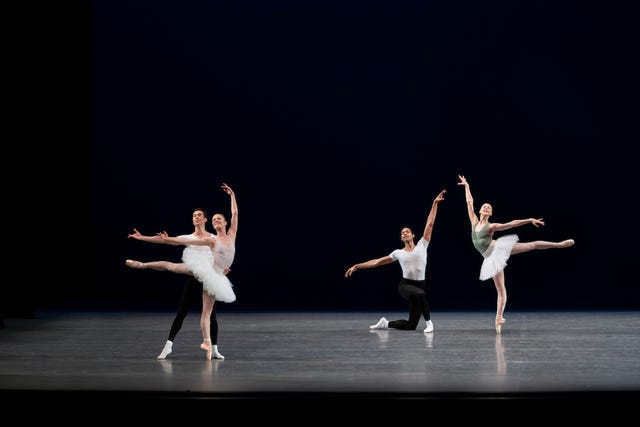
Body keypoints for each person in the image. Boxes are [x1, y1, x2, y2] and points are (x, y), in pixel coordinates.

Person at [126, 183, 238, 359]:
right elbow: (169, 241)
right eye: (194, 216)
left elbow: (224, 252)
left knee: (211, 315)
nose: (196, 218)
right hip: (195, 274)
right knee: (183, 310)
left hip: (211, 276)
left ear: (205, 219)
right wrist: (143, 238)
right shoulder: (196, 238)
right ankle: (169, 345)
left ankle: (213, 348)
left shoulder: (214, 237)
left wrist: (223, 269)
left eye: (199, 215)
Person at [456, 175, 575, 333]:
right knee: (500, 289)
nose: (485, 207)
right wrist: (466, 186)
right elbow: (469, 202)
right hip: (490, 259)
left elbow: (511, 224)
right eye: (484, 206)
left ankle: (557, 245)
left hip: (497, 249)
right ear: (480, 210)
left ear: (490, 213)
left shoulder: (492, 226)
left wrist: (529, 219)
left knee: (530, 246)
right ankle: (498, 318)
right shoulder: (474, 221)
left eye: (488, 207)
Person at [345, 189, 447, 333]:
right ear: (401, 238)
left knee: (411, 326)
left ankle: (385, 324)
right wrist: (358, 265)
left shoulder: (422, 245)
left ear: (413, 235)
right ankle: (429, 323)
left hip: (420, 285)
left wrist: (434, 204)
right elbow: (377, 262)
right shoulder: (398, 253)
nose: (404, 233)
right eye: (402, 233)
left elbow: (430, 224)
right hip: (405, 286)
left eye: (407, 232)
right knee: (421, 295)